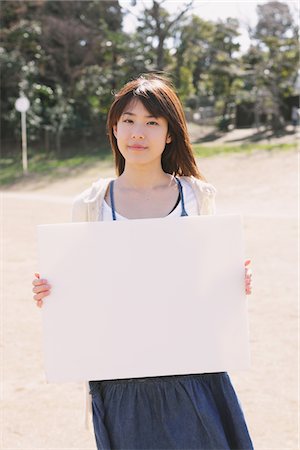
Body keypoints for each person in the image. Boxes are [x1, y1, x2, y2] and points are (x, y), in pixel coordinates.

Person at [32, 73, 253, 450]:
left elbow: (212, 282)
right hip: (122, 377)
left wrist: (235, 281)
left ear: (170, 133)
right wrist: (51, 293)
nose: (139, 132)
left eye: (152, 122)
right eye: (129, 120)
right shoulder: (90, 204)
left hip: (194, 371)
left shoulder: (197, 197)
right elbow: (80, 292)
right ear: (114, 129)